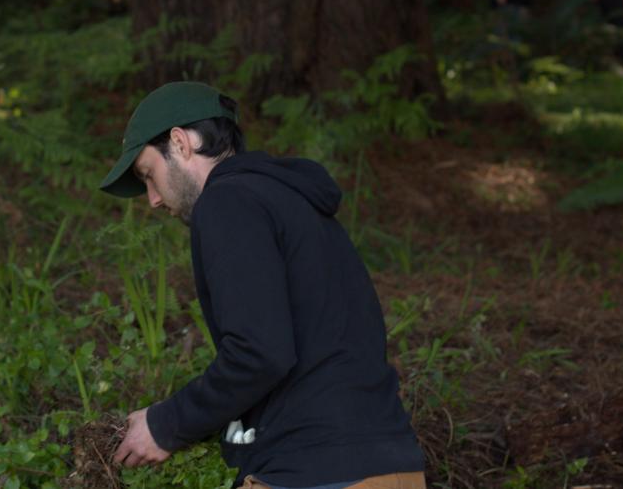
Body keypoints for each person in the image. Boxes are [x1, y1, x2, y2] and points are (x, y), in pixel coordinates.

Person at [101, 81, 427, 488]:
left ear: (181, 143)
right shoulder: (290, 201)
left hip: (316, 470)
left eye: (149, 175)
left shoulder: (227, 204)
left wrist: (165, 424)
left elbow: (259, 353)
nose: (151, 198)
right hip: (391, 467)